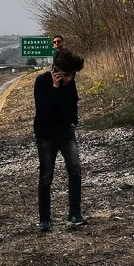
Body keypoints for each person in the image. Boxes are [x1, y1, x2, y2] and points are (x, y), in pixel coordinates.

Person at [34, 49, 86, 231]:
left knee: (75, 169)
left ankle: (74, 213)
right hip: (46, 135)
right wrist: (56, 88)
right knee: (46, 176)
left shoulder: (70, 83)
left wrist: (74, 121)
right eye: (66, 75)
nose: (70, 79)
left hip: (66, 132)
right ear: (56, 71)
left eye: (72, 75)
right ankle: (45, 218)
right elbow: (43, 111)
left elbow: (73, 103)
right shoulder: (42, 81)